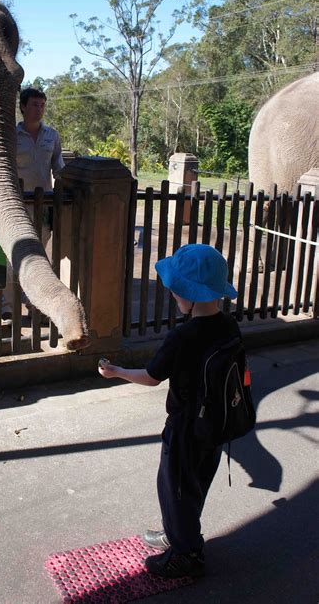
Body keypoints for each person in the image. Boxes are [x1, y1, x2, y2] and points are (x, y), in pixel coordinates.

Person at [98, 243, 240, 579]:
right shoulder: (229, 326)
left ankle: (186, 555)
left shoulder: (183, 335)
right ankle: (177, 533)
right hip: (216, 426)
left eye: (177, 290)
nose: (174, 295)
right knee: (195, 484)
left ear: (188, 294)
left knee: (174, 487)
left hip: (186, 428)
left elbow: (150, 377)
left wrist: (116, 372)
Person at [2, 87, 64, 319]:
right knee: (12, 254)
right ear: (23, 107)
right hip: (16, 204)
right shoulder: (11, 135)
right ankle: (8, 306)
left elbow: (59, 168)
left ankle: (33, 303)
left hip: (44, 206)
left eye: (42, 105)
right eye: (35, 105)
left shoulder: (52, 136)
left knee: (37, 257)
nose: (39, 109)